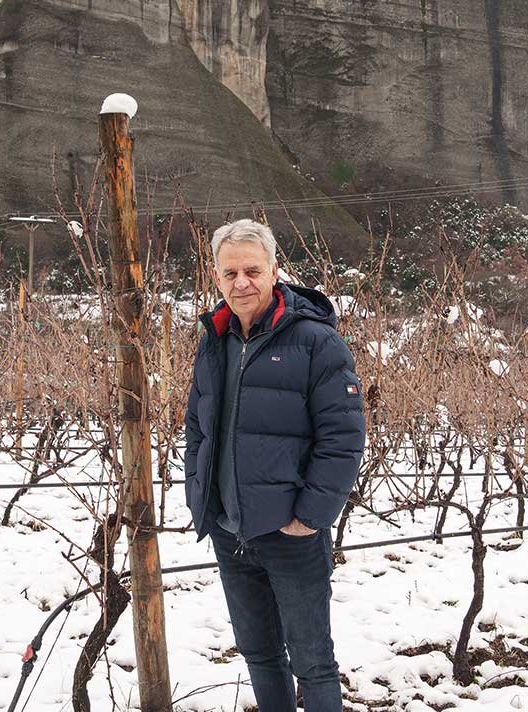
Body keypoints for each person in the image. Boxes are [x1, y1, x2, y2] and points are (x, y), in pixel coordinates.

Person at [183, 218, 366, 712]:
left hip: (291, 534)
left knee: (313, 661)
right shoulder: (215, 338)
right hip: (229, 527)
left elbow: (344, 438)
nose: (241, 282)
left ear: (274, 271)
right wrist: (201, 492)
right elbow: (196, 426)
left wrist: (308, 518)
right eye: (229, 273)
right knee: (260, 653)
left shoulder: (315, 341)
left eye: (252, 270)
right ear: (216, 277)